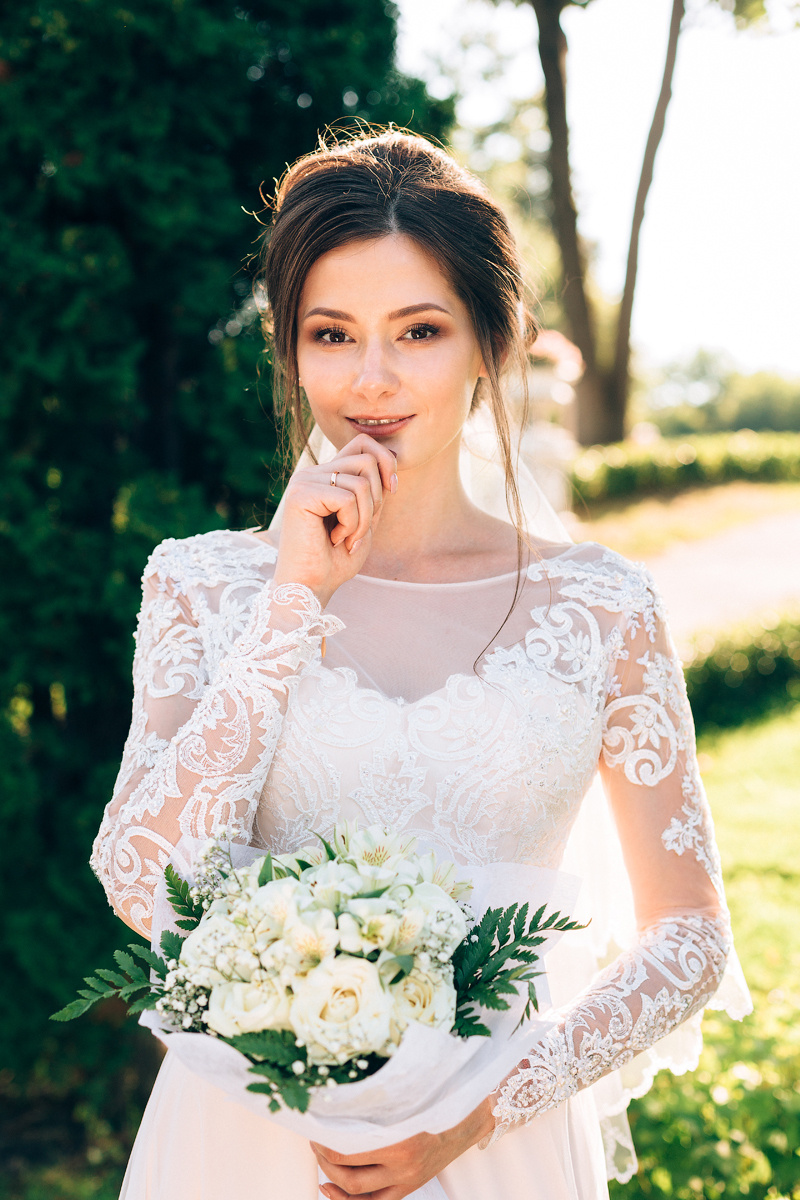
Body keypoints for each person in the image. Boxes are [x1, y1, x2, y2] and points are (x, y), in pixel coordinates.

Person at [90, 129, 749, 1200]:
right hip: (243, 1148)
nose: (371, 379)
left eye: (420, 330)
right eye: (331, 333)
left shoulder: (601, 608)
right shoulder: (204, 588)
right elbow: (139, 882)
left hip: (500, 1151)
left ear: (492, 343)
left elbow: (688, 938)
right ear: (290, 351)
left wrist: (480, 1116)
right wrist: (292, 601)